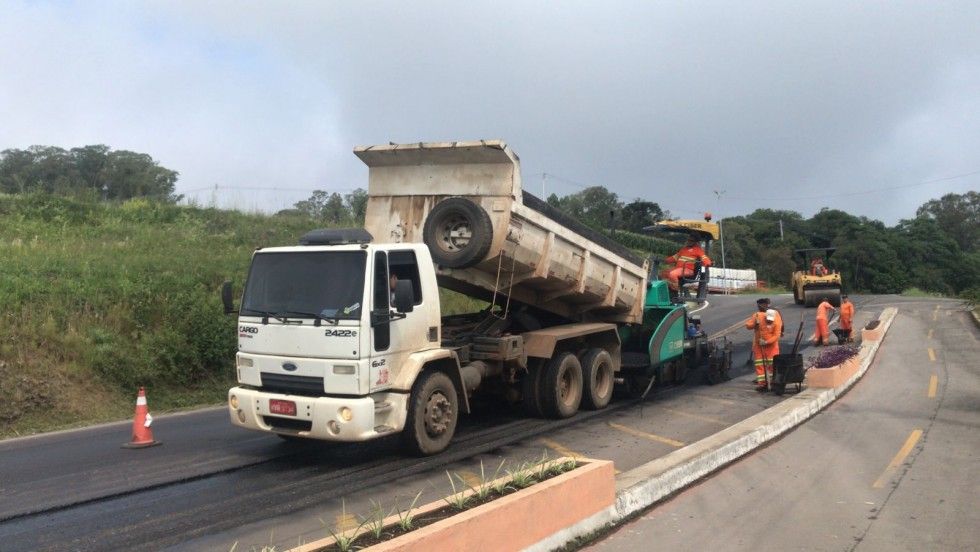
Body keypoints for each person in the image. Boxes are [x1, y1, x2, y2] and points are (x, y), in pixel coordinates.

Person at [746, 299, 782, 391]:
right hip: (759, 346)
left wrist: (766, 342)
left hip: (772, 347)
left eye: (771, 321)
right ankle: (762, 384)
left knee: (773, 365)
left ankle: (774, 383)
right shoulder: (758, 316)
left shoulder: (777, 320)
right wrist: (755, 324)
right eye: (767, 320)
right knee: (760, 364)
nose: (769, 322)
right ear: (765, 316)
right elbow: (748, 325)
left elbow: (776, 336)